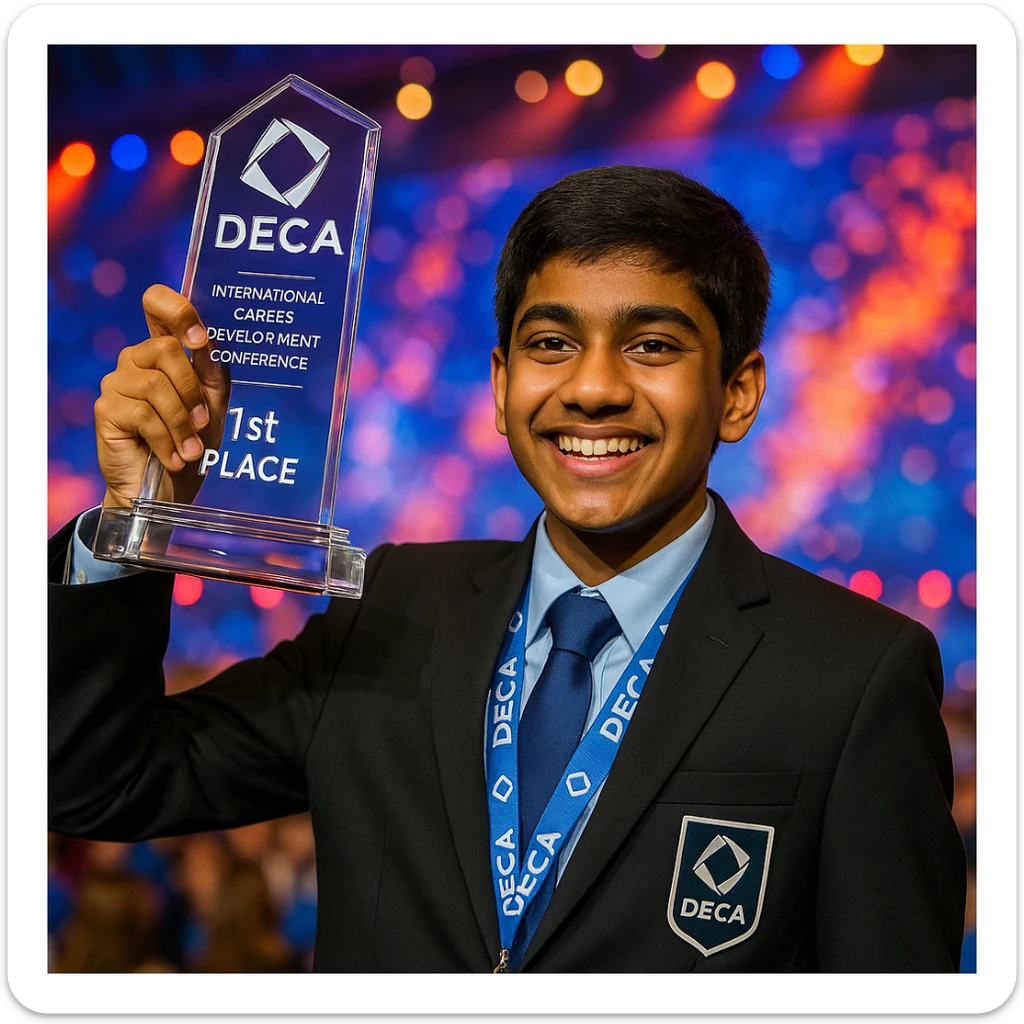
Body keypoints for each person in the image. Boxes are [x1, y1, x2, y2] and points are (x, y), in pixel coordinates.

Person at [48, 165, 966, 972]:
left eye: (652, 345)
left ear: (737, 392)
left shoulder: (852, 674)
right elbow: (92, 779)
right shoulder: (393, 610)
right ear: (499, 385)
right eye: (551, 343)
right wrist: (134, 520)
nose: (593, 388)